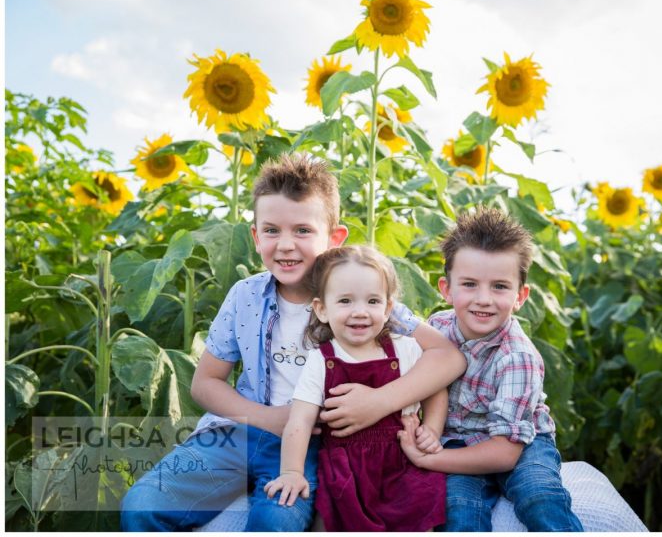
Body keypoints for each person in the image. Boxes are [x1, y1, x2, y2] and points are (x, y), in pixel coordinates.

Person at [120, 154, 465, 531]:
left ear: (334, 238)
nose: (285, 245)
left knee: (275, 523)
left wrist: (381, 401)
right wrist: (269, 418)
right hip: (239, 432)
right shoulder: (245, 296)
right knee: (140, 505)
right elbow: (205, 383)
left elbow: (446, 357)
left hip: (312, 447)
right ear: (255, 236)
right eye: (271, 231)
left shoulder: (358, 298)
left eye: (302, 230)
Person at [397, 207, 584, 532]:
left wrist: (430, 459)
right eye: (469, 284)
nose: (483, 299)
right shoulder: (437, 329)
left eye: (499, 286)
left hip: (519, 442)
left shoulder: (517, 356)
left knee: (540, 495)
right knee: (457, 508)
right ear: (446, 289)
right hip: (455, 436)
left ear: (520, 296)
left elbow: (504, 453)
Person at [264, 245, 447, 531]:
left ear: (388, 309)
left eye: (373, 301)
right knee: (332, 517)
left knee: (419, 513)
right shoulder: (321, 361)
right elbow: (299, 421)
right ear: (322, 309)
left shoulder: (405, 349)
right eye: (346, 301)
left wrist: (432, 430)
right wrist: (291, 472)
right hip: (345, 466)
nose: (360, 312)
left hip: (402, 460)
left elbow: (435, 388)